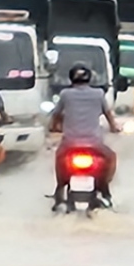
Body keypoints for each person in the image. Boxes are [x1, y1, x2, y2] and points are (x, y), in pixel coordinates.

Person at [49, 63, 121, 206]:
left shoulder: (65, 94)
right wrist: (114, 127)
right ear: (89, 78)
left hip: (70, 143)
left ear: (71, 78)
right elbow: (108, 114)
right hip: (94, 143)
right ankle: (105, 188)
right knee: (111, 157)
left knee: (59, 158)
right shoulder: (99, 93)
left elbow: (56, 115)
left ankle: (60, 188)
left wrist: (53, 127)